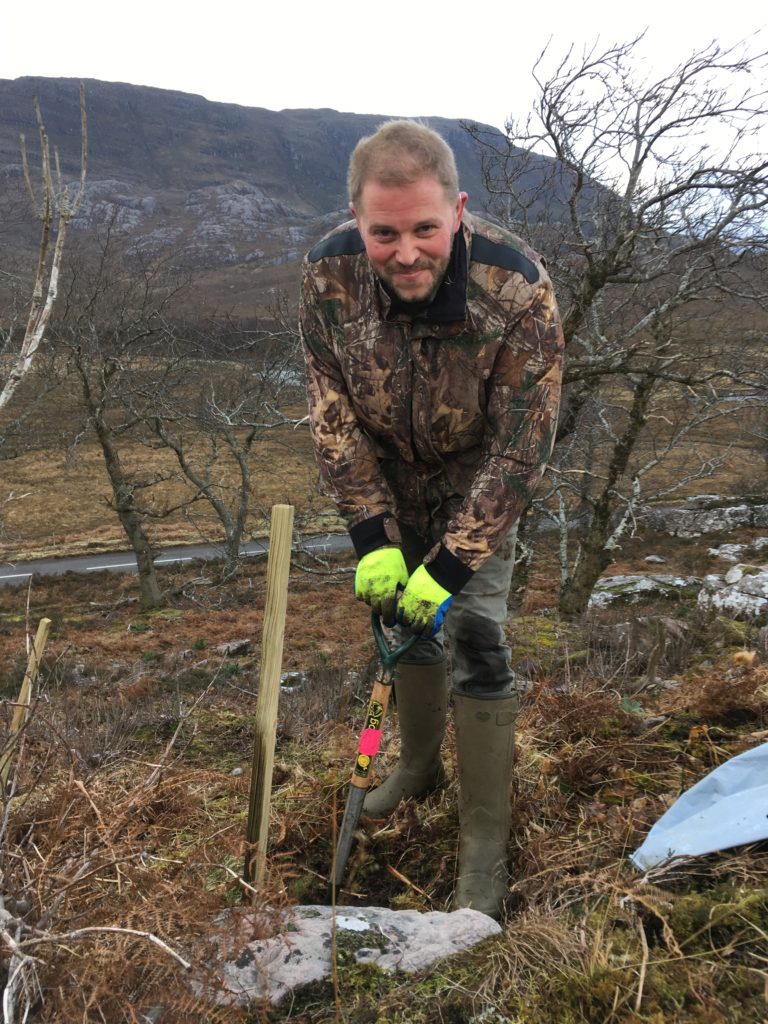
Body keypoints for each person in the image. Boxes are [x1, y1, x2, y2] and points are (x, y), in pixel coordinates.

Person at [299, 120, 564, 919]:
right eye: (384, 233)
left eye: (424, 228)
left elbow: (523, 450)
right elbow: (331, 412)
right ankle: (415, 764)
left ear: (458, 209)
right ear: (357, 219)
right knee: (400, 624)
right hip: (387, 482)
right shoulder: (328, 275)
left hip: (480, 488)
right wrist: (372, 538)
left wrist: (449, 568)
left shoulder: (518, 290)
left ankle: (484, 835)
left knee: (475, 636)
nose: (406, 252)